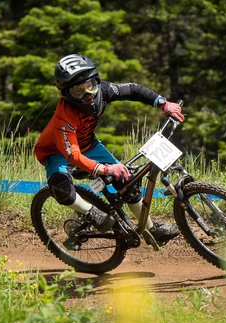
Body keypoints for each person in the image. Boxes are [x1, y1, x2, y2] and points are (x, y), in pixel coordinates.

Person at [34, 53, 185, 244]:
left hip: (88, 144)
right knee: (61, 188)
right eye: (78, 91)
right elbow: (72, 155)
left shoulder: (103, 90)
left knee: (127, 182)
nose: (89, 94)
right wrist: (105, 169)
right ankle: (89, 212)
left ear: (96, 80)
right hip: (57, 152)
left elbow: (132, 89)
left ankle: (150, 230)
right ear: (66, 94)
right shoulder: (64, 115)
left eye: (90, 86)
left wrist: (163, 103)